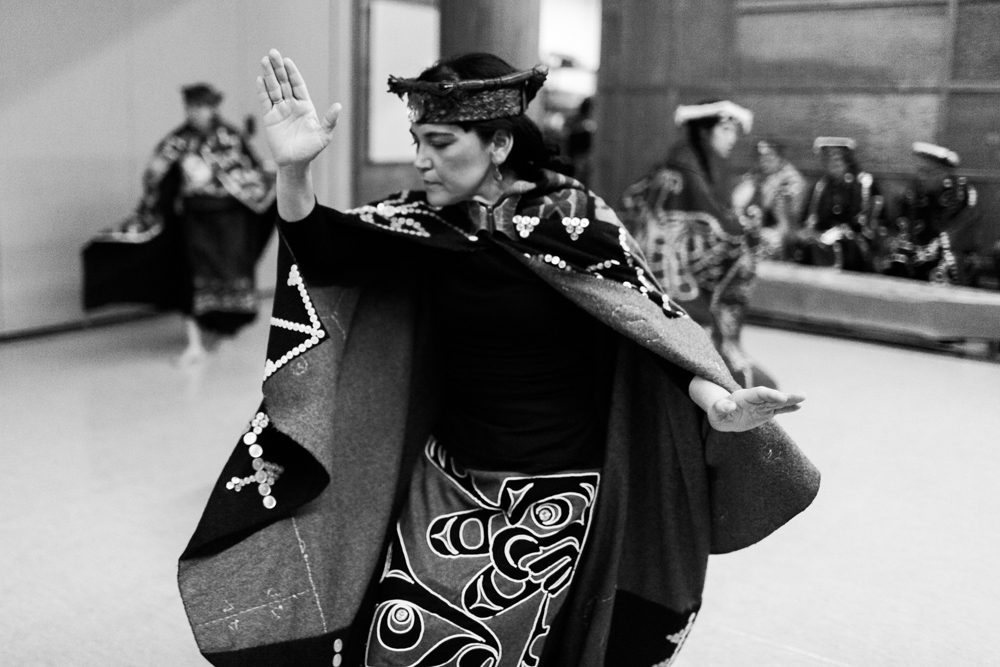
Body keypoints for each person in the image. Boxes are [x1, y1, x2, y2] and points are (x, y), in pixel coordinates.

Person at [177, 50, 819, 667]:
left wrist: (718, 401)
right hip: (447, 479)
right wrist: (294, 171)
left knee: (499, 650)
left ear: (500, 144)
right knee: (397, 644)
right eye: (418, 140)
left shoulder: (572, 220)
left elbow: (648, 329)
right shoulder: (421, 225)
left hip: (556, 490)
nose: (423, 161)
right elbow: (323, 252)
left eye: (443, 143)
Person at [82, 83, 276, 364]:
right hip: (194, 220)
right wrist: (158, 177)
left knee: (231, 274)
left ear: (212, 107)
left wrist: (250, 175)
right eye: (190, 107)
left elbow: (253, 172)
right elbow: (156, 174)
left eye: (201, 106)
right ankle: (194, 343)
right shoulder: (178, 140)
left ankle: (222, 328)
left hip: (230, 220)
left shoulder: (230, 137)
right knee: (190, 278)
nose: (195, 112)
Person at [622, 100, 776, 389]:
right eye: (727, 129)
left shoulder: (678, 162)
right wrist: (748, 226)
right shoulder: (688, 168)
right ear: (705, 132)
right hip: (673, 274)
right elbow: (720, 227)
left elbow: (632, 198)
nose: (733, 138)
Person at [879, 142, 994, 286]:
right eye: (920, 171)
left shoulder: (961, 194)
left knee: (946, 265)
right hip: (921, 252)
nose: (922, 177)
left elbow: (956, 235)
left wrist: (930, 251)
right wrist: (905, 244)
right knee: (896, 261)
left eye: (927, 172)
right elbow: (903, 224)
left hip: (952, 253)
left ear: (944, 174)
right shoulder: (915, 193)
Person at [796, 137, 885, 272]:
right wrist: (813, 233)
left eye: (837, 158)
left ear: (847, 160)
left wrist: (841, 232)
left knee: (848, 248)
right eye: (828, 158)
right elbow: (810, 218)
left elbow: (866, 222)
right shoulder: (820, 187)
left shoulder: (863, 184)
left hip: (854, 241)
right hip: (823, 238)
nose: (833, 162)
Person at [740, 139, 808, 261]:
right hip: (762, 228)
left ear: (779, 157)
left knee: (767, 243)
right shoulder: (759, 176)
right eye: (761, 156)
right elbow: (742, 202)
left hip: (786, 231)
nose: (763, 161)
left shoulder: (792, 180)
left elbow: (788, 220)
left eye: (769, 156)